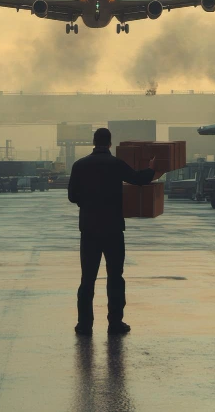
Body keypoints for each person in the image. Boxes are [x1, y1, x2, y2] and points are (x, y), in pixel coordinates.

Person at [68, 128, 155, 336]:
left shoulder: (79, 165)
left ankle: (84, 325)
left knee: (87, 278)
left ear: (93, 142)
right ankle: (115, 323)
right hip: (113, 229)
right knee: (115, 277)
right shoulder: (116, 164)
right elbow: (138, 179)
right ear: (109, 144)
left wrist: (86, 202)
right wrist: (151, 169)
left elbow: (72, 196)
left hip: (89, 230)